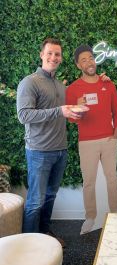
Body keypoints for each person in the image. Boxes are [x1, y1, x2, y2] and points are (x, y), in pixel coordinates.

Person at [17, 38, 81, 246]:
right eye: (50, 53)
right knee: (35, 201)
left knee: (51, 196)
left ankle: (44, 234)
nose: (54, 57)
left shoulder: (60, 86)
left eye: (58, 54)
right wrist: (59, 111)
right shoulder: (30, 82)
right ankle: (27, 245)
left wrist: (72, 113)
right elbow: (24, 115)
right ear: (41, 54)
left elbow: (60, 114)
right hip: (39, 151)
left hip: (60, 150)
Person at [66, 45, 117, 234]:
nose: (89, 62)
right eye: (83, 60)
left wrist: (115, 135)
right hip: (86, 142)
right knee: (88, 181)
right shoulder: (73, 89)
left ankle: (115, 212)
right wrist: (78, 110)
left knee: (111, 178)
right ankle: (90, 217)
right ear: (77, 65)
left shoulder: (108, 84)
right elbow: (71, 119)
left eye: (91, 58)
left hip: (108, 140)